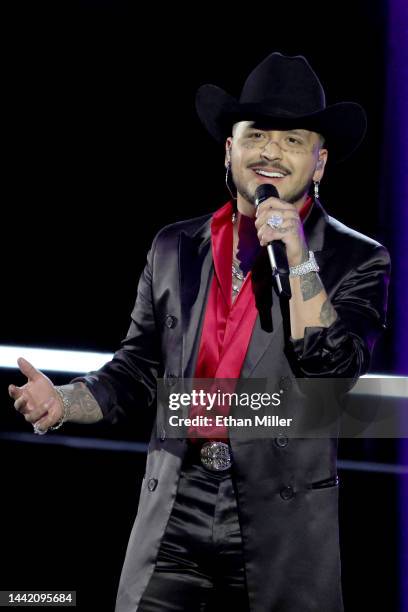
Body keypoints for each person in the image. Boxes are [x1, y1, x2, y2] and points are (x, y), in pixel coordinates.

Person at [8, 52, 390, 612]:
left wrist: (297, 254)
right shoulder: (174, 247)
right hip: (176, 507)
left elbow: (331, 373)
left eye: (292, 141)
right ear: (229, 148)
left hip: (278, 522)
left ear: (321, 162)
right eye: (257, 135)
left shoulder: (358, 259)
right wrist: (62, 402)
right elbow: (137, 369)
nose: (271, 153)